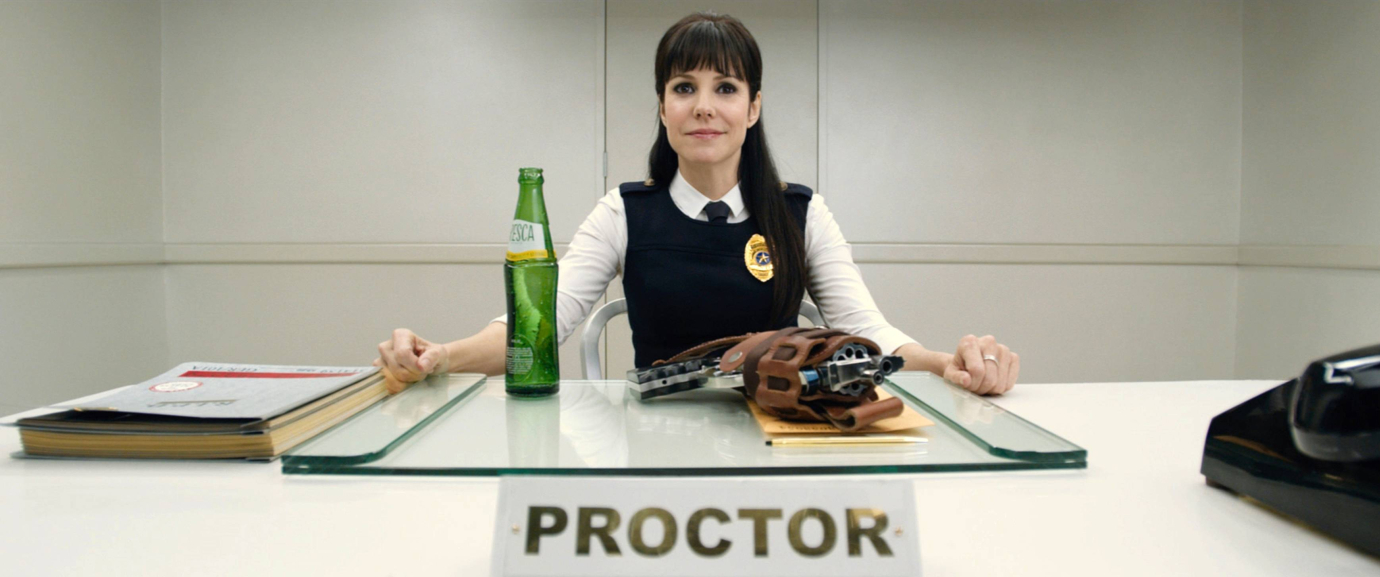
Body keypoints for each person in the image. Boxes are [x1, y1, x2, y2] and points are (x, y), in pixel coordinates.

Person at [376, 12, 1019, 397]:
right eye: (684, 87)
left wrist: (947, 364)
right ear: (663, 107)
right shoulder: (623, 212)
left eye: (726, 88)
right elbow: (538, 327)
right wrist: (440, 356)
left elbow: (870, 335)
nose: (704, 107)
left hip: (776, 435)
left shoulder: (802, 214)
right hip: (649, 447)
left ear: (753, 108)